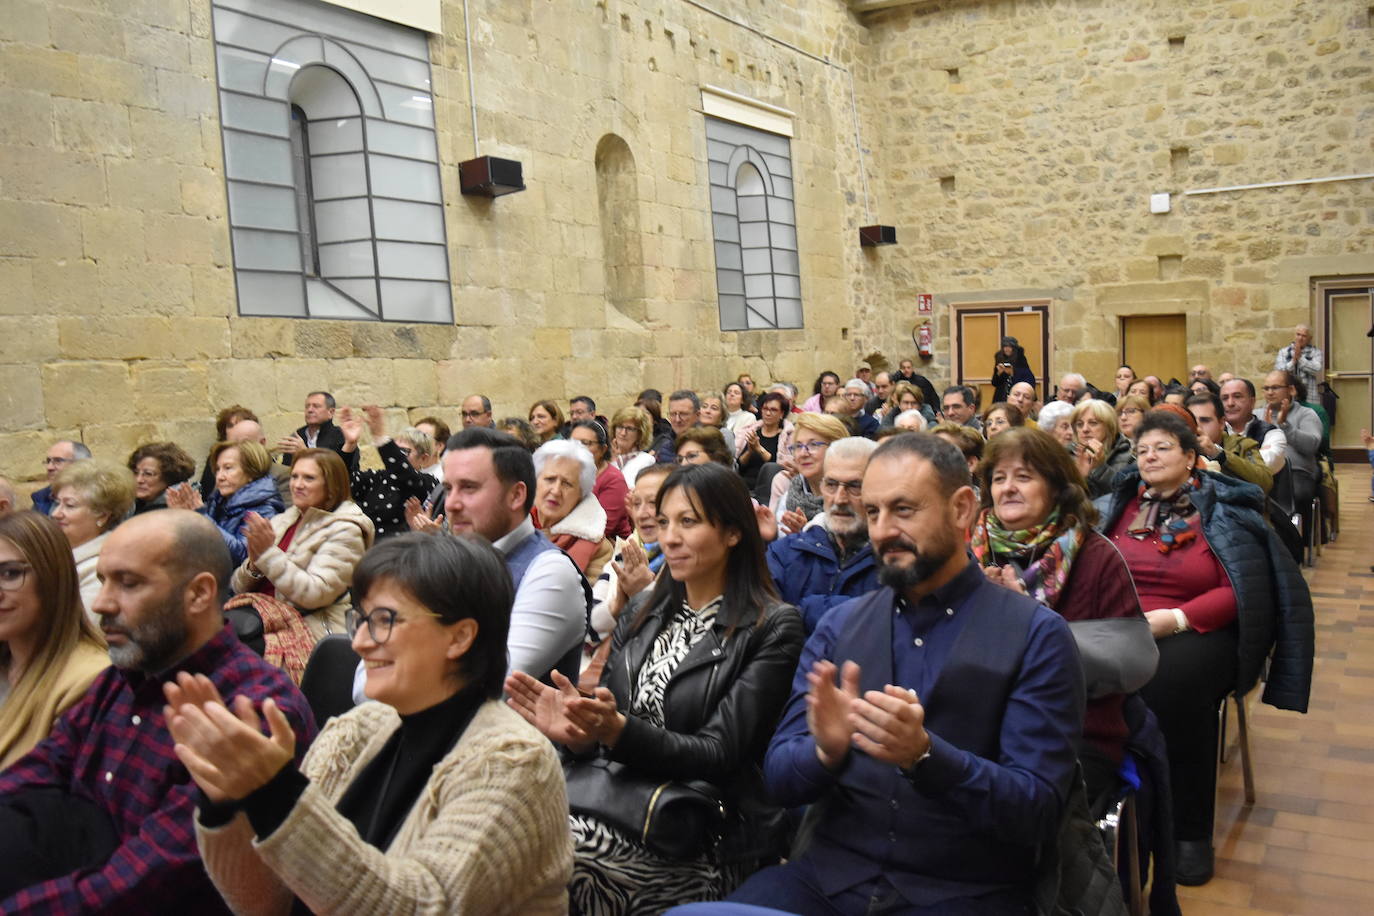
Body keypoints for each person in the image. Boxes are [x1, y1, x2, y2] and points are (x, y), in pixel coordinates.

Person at [730, 433, 1085, 913]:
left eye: (903, 510)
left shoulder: (1036, 636)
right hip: (829, 879)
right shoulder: (840, 627)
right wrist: (825, 752)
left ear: (962, 509)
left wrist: (926, 756)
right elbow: (780, 780)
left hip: (966, 889)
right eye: (873, 512)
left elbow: (1036, 812)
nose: (881, 531)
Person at [173, 532, 572, 915]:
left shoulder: (514, 762)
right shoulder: (358, 727)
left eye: (383, 620)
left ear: (459, 637)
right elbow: (268, 904)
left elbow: (422, 907)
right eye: (360, 620)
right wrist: (225, 804)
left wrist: (278, 795)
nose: (361, 642)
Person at [506, 464, 806, 914]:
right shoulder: (645, 607)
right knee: (497, 841)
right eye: (664, 522)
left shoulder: (772, 626)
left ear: (732, 533)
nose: (670, 537)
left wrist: (617, 733)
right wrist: (582, 733)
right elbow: (610, 714)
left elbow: (719, 753)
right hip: (611, 800)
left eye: (689, 522)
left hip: (699, 829)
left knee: (547, 866)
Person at [0, 510, 315, 912]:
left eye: (128, 584)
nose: (102, 603)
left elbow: (146, 881)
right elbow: (45, 767)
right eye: (102, 581)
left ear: (199, 594)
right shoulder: (124, 676)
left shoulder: (250, 711)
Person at [1095, 411, 1313, 885]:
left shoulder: (1224, 510)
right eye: (1142, 449)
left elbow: (1241, 589)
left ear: (1191, 458)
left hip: (1198, 629)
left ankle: (1186, 831)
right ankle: (1093, 812)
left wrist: (1174, 619)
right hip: (1117, 625)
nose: (1149, 456)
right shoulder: (1115, 507)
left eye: (1162, 448)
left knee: (1172, 683)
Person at [970, 427, 1156, 803]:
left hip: (1071, 728)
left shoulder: (1096, 555)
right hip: (977, 718)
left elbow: (1130, 664)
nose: (1008, 488)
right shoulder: (968, 552)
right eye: (999, 478)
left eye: (1024, 477)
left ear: (1056, 487)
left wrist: (1026, 619)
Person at [445, 428, 587, 680]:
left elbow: (493, 684)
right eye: (448, 489)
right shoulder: (445, 559)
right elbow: (368, 680)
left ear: (516, 495)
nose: (451, 504)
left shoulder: (550, 572)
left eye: (468, 488)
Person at [229, 448, 375, 644]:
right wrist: (254, 565)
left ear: (331, 486)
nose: (297, 485)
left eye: (308, 478)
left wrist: (267, 555)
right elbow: (237, 587)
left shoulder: (347, 530)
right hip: (258, 617)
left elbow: (314, 594)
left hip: (309, 626)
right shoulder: (284, 519)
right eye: (294, 476)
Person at [0, 512, 109, 768]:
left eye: (10, 574)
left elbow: (53, 800)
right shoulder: (9, 660)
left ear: (52, 579)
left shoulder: (89, 680)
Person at [766, 438, 880, 634]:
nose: (840, 498)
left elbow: (886, 626)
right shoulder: (784, 552)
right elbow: (761, 620)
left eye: (855, 486)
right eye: (831, 484)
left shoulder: (898, 559)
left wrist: (805, 609)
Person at [586, 463, 674, 655]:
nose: (642, 514)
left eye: (653, 503)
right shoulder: (626, 555)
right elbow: (588, 629)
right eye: (636, 504)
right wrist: (617, 606)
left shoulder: (686, 566)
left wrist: (642, 595)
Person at [169, 440, 284, 567]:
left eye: (228, 468)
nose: (220, 476)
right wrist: (181, 519)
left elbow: (243, 557)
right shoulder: (217, 501)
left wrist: (201, 518)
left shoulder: (264, 507)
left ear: (251, 471)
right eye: (218, 469)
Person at [49, 460, 136, 617]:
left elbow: (85, 631)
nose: (56, 513)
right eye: (57, 503)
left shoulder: (100, 571)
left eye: (69, 505)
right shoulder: (57, 554)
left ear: (102, 515)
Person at [339, 406, 437, 539]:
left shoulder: (427, 482)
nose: (397, 456)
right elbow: (342, 483)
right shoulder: (377, 477)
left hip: (401, 552)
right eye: (395, 450)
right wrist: (349, 445)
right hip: (367, 551)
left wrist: (380, 438)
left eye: (403, 452)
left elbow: (407, 478)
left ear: (423, 458)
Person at [531, 440, 614, 583]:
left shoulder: (598, 548)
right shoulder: (511, 524)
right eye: (550, 479)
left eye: (567, 484)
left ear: (581, 495)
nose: (556, 491)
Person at [769, 412, 850, 536]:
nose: (803, 453)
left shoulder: (853, 497)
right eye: (798, 446)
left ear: (836, 448)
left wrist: (809, 537)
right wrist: (769, 536)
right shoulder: (790, 495)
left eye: (813, 445)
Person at [1261, 369, 1323, 516]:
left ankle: (1301, 537)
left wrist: (1284, 426)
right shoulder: (1258, 415)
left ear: (1291, 390)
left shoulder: (1306, 414)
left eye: (1275, 387)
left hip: (1296, 472)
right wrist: (1263, 429)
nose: (1270, 392)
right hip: (1262, 472)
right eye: (1266, 388)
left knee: (1298, 495)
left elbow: (1312, 446)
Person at [1186, 393, 1273, 495]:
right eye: (1192, 422)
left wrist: (1218, 454)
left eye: (1205, 420)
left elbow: (1265, 483)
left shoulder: (1242, 445)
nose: (1197, 428)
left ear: (1222, 423)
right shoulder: (1182, 449)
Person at [569, 419, 631, 540]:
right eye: (573, 443)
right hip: (570, 536)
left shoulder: (613, 480)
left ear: (603, 449)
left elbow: (602, 528)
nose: (577, 448)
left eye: (586, 443)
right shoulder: (567, 474)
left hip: (606, 546)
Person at [1071, 398, 1134, 498]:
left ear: (1109, 426)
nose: (1085, 429)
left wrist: (1100, 468)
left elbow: (1123, 495)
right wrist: (1080, 478)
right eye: (1079, 424)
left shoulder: (1129, 458)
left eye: (1093, 423)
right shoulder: (1067, 455)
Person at [1220, 378, 1287, 472]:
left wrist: (1221, 458)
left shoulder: (1271, 433)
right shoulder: (1216, 432)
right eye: (1225, 398)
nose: (1230, 403)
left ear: (1252, 402)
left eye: (1237, 396)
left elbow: (1264, 466)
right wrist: (1256, 455)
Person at [225, 418, 292, 504]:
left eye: (244, 443)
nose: (237, 450)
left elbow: (288, 514)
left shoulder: (282, 475)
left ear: (262, 443)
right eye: (232, 445)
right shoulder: (226, 475)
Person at [735, 391, 794, 489]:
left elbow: (778, 468)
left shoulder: (788, 437)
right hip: (743, 484)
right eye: (765, 409)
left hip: (769, 487)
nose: (767, 413)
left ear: (782, 414)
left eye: (773, 410)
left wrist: (759, 449)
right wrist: (749, 451)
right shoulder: (751, 432)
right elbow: (739, 466)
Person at [198, 406, 257, 496]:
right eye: (230, 425)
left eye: (240, 424)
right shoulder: (216, 457)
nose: (235, 428)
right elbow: (207, 493)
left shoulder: (260, 458)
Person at [126, 442, 196, 515]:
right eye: (135, 472)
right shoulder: (130, 504)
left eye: (148, 474)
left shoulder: (178, 511)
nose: (138, 480)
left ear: (169, 477)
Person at [279, 391, 347, 466]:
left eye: (316, 406)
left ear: (331, 412)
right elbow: (287, 468)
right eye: (307, 406)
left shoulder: (340, 436)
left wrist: (306, 453)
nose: (310, 410)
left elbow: (341, 470)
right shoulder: (298, 435)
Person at [30, 440, 90, 516]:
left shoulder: (99, 498)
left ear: (81, 464)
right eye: (48, 461)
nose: (49, 467)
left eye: (58, 461)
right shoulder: (42, 499)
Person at [609, 405, 657, 486]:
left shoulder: (646, 460)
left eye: (630, 429)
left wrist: (613, 462)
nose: (623, 433)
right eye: (620, 427)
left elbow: (620, 487)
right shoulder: (603, 456)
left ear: (640, 434)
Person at [1274, 323, 1323, 399]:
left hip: (1310, 397)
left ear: (1310, 338)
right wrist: (1293, 362)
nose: (1300, 338)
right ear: (1294, 335)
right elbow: (1280, 373)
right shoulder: (1283, 352)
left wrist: (1300, 358)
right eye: (1298, 334)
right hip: (1289, 397)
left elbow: (1316, 370)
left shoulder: (1316, 352)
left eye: (1304, 336)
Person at [653, 390, 702, 462]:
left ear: (697, 415)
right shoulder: (664, 448)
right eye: (673, 414)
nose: (677, 420)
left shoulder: (708, 445)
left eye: (683, 414)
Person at [991, 336, 1034, 403]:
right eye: (1005, 347)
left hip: (1017, 394)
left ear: (1014, 348)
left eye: (1009, 347)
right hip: (1001, 396)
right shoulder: (999, 358)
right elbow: (994, 383)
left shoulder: (1020, 359)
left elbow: (1027, 378)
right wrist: (998, 374)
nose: (1007, 349)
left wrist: (1012, 373)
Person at [697, 391, 738, 455]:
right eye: (704, 406)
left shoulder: (725, 435)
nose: (707, 411)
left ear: (722, 415)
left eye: (714, 408)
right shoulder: (692, 431)